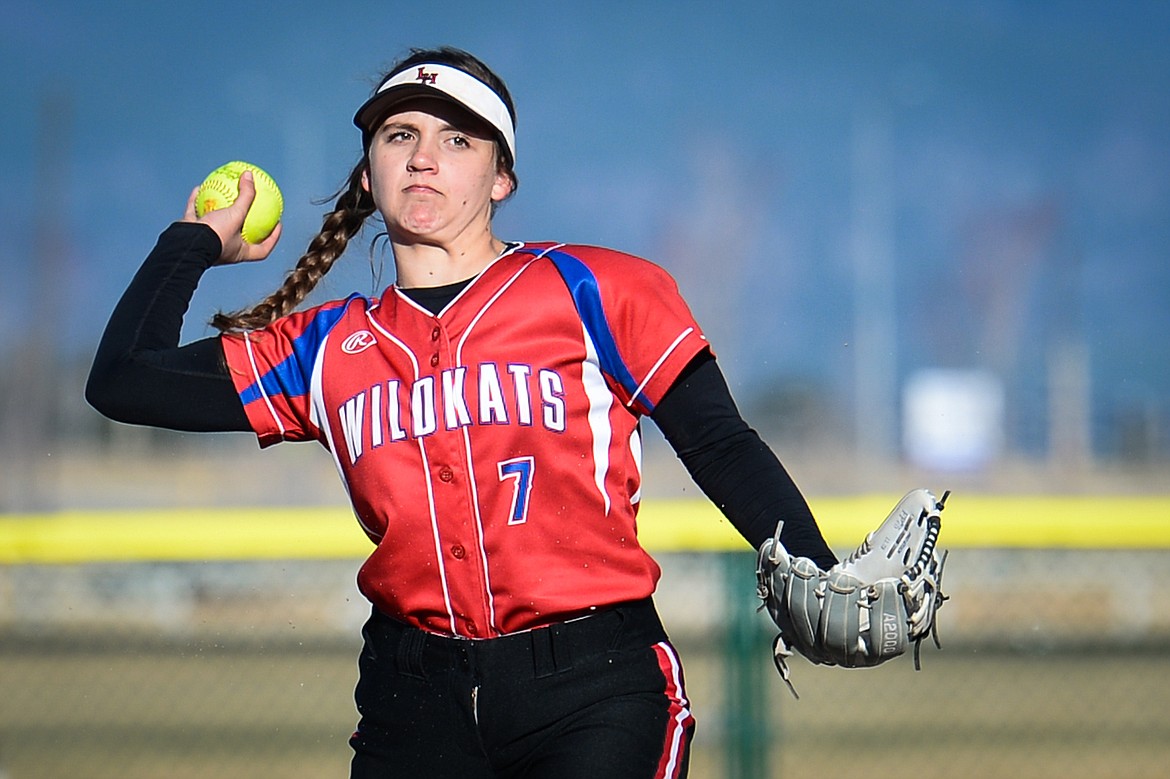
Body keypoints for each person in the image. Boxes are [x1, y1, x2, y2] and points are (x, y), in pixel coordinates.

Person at [86, 46, 837, 779]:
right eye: (399, 135)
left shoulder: (597, 291)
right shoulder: (323, 351)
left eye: (456, 138)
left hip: (594, 684)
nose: (423, 157)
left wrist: (821, 568)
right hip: (413, 699)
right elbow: (122, 380)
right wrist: (189, 243)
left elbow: (720, 443)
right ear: (370, 170)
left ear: (501, 175)